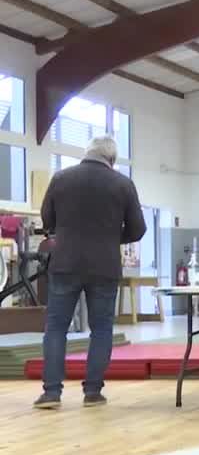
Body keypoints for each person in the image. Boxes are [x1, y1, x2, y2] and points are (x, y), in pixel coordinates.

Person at [35, 135, 146, 409]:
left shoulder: (61, 178)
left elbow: (47, 219)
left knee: (56, 327)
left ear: (87, 153)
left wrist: (67, 233)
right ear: (112, 159)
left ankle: (51, 393)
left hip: (65, 263)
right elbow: (138, 229)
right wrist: (111, 238)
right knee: (101, 329)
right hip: (104, 266)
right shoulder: (123, 184)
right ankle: (93, 393)